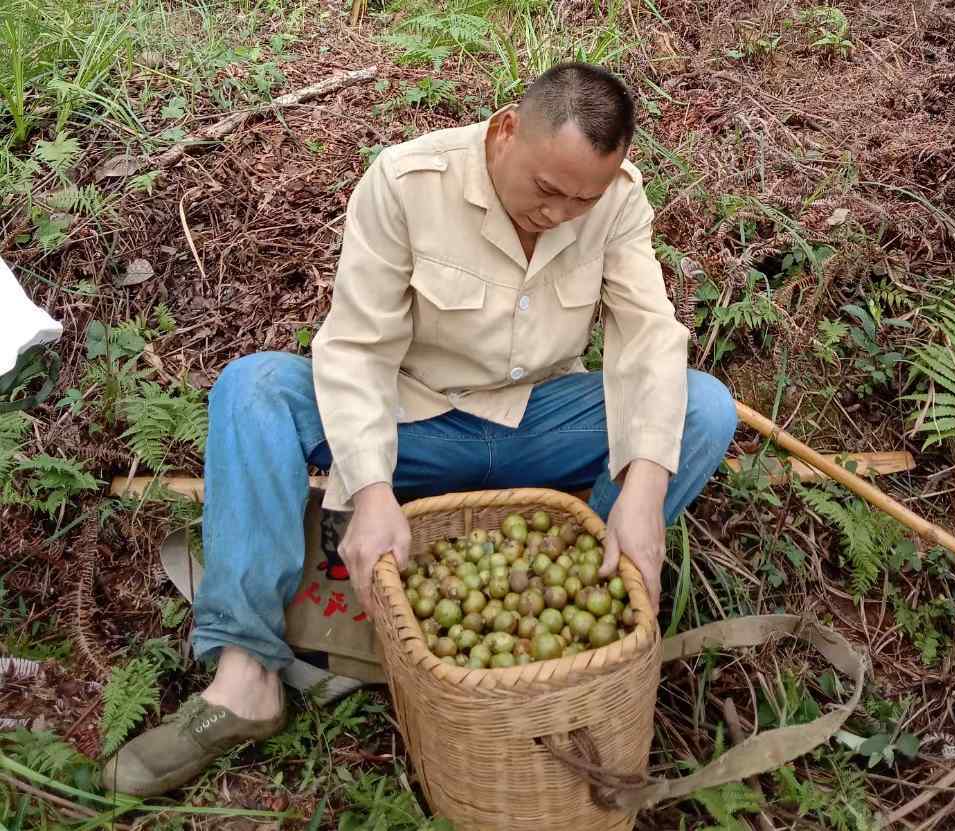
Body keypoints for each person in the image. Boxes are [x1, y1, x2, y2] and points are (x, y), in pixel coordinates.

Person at [103, 62, 738, 796]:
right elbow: (358, 349)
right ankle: (245, 677)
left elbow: (648, 339)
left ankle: (568, 600)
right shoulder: (408, 182)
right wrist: (371, 492)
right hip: (415, 424)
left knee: (704, 408)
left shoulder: (618, 200)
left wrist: (643, 491)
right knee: (255, 389)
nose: (561, 213)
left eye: (582, 200)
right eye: (546, 188)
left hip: (536, 424)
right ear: (506, 131)